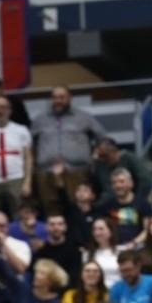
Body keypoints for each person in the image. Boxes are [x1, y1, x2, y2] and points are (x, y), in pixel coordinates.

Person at [31, 86, 106, 217]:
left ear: (70, 98)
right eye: (54, 98)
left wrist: (94, 157)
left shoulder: (84, 117)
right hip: (46, 172)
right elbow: (29, 143)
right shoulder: (39, 119)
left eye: (62, 97)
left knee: (78, 207)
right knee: (51, 208)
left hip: (77, 171)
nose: (58, 101)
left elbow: (102, 137)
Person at [92, 137, 152, 205]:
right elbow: (96, 187)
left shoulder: (129, 159)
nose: (102, 159)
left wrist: (136, 200)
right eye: (100, 156)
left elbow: (146, 181)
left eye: (104, 156)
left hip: (129, 201)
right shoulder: (100, 164)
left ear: (113, 152)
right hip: (107, 203)